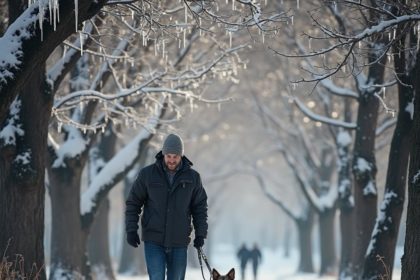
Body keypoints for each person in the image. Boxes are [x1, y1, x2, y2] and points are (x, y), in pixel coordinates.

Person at [125, 133, 208, 280]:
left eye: (175, 156)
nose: (171, 160)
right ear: (163, 154)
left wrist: (200, 234)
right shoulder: (147, 174)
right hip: (153, 239)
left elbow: (200, 208)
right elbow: (133, 202)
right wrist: (131, 229)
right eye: (168, 156)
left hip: (179, 240)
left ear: (181, 156)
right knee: (156, 277)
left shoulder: (193, 178)